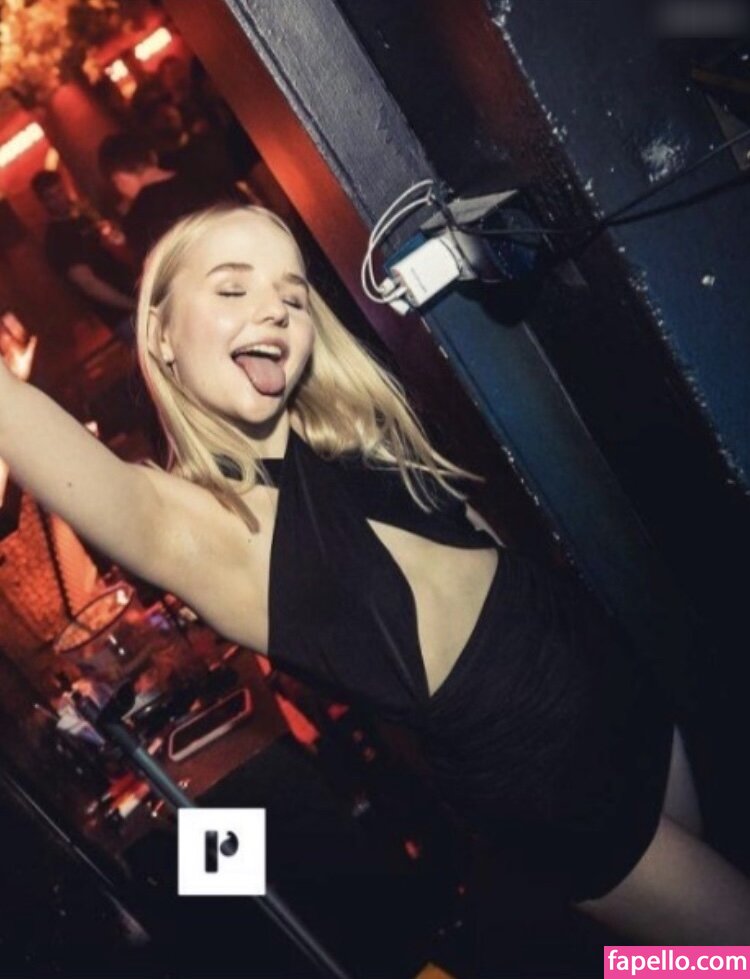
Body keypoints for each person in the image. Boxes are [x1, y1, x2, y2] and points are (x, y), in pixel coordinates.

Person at [1, 203, 748, 943]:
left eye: (292, 296)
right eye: (232, 287)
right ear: (160, 334)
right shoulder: (203, 532)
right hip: (550, 775)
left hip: (610, 672)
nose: (275, 309)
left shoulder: (347, 428)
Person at [97, 133, 242, 268]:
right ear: (153, 156)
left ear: (119, 178)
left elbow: (160, 275)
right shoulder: (206, 174)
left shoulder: (138, 221)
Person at [30, 170, 136, 339]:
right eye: (52, 197)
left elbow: (115, 242)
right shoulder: (56, 239)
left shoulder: (83, 217)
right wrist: (132, 304)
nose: (60, 199)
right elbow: (88, 283)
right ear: (43, 202)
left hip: (135, 290)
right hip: (122, 315)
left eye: (60, 191)